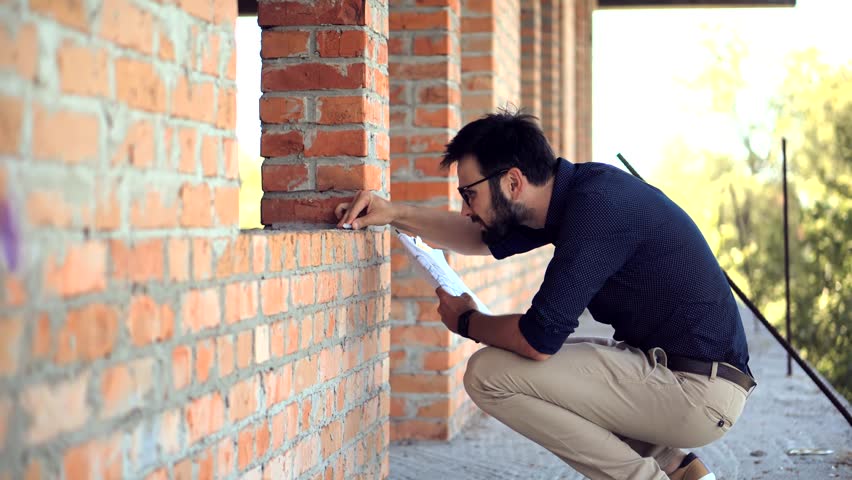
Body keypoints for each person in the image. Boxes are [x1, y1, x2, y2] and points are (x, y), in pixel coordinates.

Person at [334, 110, 755, 480]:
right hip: (683, 378)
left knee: (489, 375)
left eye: (469, 194)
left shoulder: (598, 211)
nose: (465, 207)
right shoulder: (575, 196)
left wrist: (468, 321)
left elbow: (538, 340)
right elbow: (477, 236)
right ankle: (678, 469)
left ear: (513, 181)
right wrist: (395, 214)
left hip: (696, 392)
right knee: (553, 371)